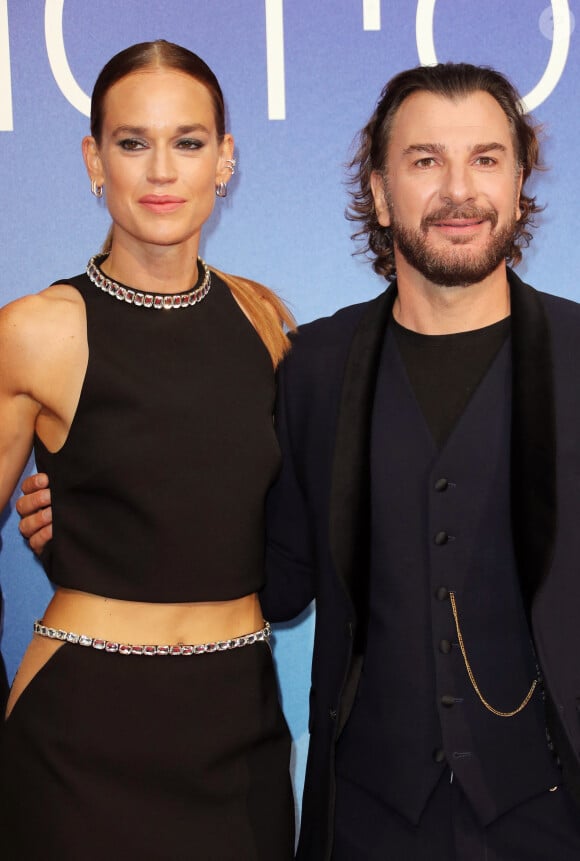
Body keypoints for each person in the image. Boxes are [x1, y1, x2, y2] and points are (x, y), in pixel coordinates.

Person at [18, 61, 580, 859]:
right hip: (368, 819)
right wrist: (104, 526)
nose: (460, 190)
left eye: (486, 159)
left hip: (554, 812)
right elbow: (273, 575)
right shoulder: (313, 362)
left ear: (521, 181)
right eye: (425, 161)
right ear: (381, 193)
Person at [0, 40, 295, 859]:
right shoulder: (36, 329)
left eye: (189, 142)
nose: (161, 170)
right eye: (133, 143)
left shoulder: (267, 326)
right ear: (95, 160)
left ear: (225, 160)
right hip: (78, 744)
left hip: (239, 738)